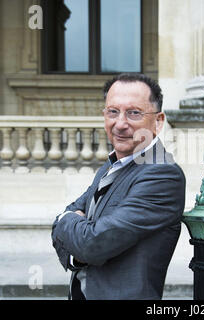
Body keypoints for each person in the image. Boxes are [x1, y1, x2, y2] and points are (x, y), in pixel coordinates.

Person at [51, 73, 186, 300]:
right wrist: (78, 248)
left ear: (158, 121)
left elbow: (91, 243)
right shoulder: (114, 163)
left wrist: (66, 221)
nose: (120, 124)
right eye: (113, 111)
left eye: (134, 113)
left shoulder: (162, 175)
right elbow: (76, 220)